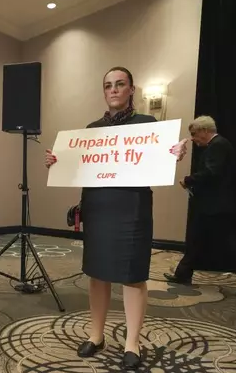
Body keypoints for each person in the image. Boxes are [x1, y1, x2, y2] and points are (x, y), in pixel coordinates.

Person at [45, 67, 187, 371]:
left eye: (120, 84)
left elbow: (162, 157)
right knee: (98, 272)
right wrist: (58, 161)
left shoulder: (147, 124)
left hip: (131, 206)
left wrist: (175, 152)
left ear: (131, 89)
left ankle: (131, 342)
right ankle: (96, 336)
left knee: (132, 274)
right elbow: (79, 164)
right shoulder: (92, 128)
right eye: (108, 85)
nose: (113, 89)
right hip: (98, 206)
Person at [164, 116, 236, 298]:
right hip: (210, 205)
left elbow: (212, 172)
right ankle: (183, 274)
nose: (193, 139)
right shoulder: (217, 145)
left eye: (194, 134)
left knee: (230, 245)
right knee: (195, 240)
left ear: (204, 131)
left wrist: (189, 180)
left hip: (217, 206)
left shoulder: (218, 145)